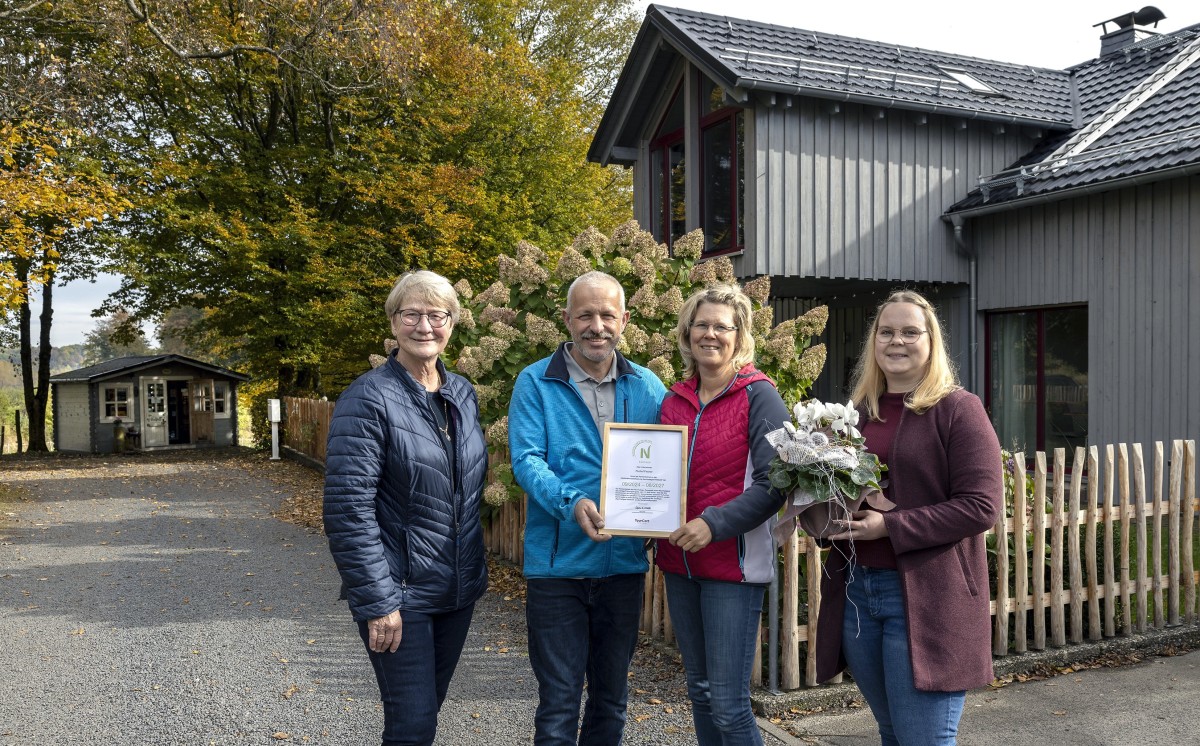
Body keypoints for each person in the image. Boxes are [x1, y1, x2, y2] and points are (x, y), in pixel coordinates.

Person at [816, 289, 1003, 746]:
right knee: (893, 734)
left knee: (924, 739)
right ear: (873, 342)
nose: (896, 341)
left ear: (930, 341)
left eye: (909, 332)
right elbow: (836, 492)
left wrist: (890, 526)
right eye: (886, 332)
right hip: (859, 594)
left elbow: (982, 506)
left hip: (927, 599)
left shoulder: (958, 409)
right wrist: (821, 513)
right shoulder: (856, 415)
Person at [323, 270, 488, 746]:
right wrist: (379, 602)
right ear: (393, 323)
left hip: (455, 591)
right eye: (410, 314)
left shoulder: (461, 393)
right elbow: (347, 509)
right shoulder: (368, 397)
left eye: (437, 315)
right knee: (412, 724)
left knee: (423, 716)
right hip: (399, 594)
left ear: (452, 323)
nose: (424, 325)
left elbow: (463, 492)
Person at [508, 270, 667, 746]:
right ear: (566, 319)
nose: (596, 326)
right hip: (558, 569)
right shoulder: (535, 381)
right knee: (558, 700)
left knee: (611, 699)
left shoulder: (648, 386)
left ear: (625, 320)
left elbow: (670, 461)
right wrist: (570, 501)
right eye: (585, 315)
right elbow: (525, 459)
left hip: (623, 567)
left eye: (607, 315)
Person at [654, 284, 790, 746]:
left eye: (721, 326)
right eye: (701, 324)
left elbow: (776, 483)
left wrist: (713, 523)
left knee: (730, 706)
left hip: (733, 568)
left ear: (739, 336)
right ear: (687, 331)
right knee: (700, 691)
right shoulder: (673, 401)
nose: (709, 334)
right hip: (680, 563)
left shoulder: (760, 397)